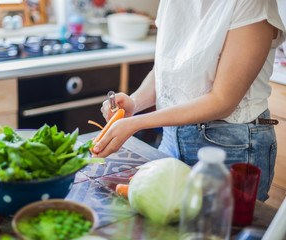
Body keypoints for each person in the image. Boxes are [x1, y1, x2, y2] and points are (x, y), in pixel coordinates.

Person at [91, 0, 285, 201]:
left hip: (231, 147)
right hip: (171, 138)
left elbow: (223, 101)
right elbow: (167, 70)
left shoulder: (251, 3)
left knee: (218, 229)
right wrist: (135, 102)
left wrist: (136, 123)